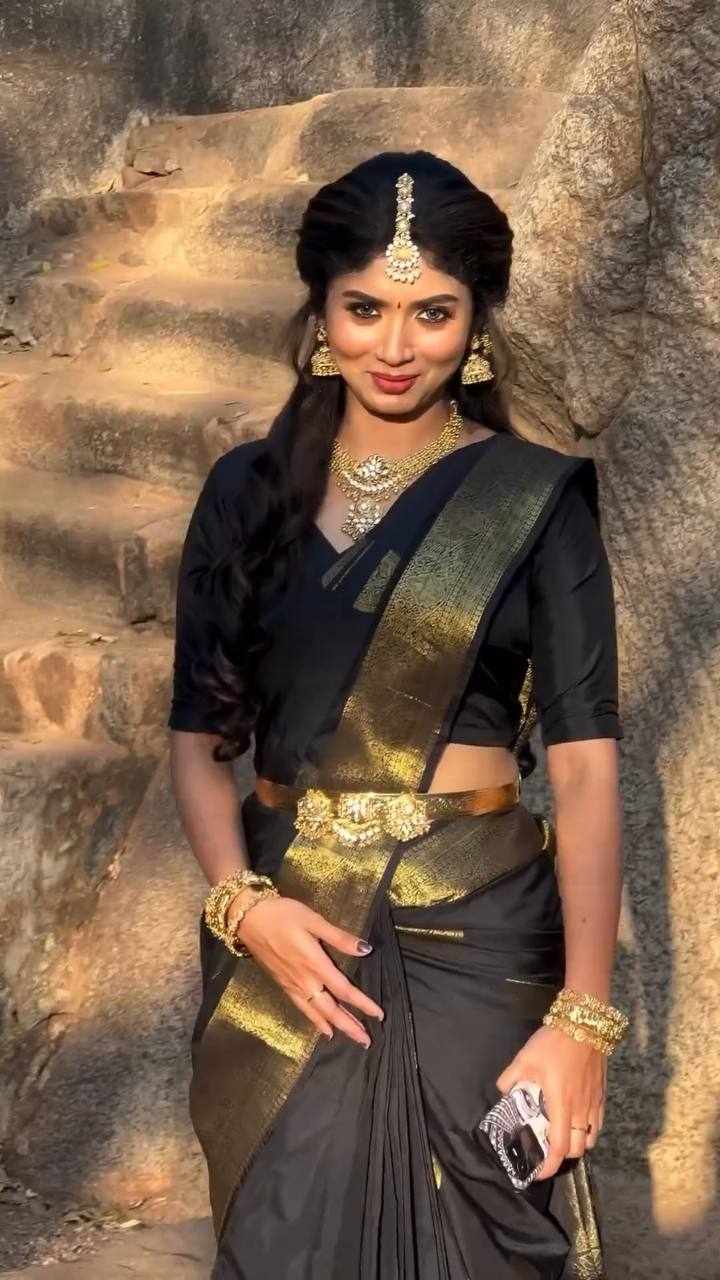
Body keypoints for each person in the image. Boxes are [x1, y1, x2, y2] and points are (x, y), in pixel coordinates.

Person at [167, 151, 628, 1279]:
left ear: (475, 325)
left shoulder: (534, 499)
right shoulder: (247, 490)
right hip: (293, 933)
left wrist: (582, 1020)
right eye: (365, 308)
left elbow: (583, 769)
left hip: (478, 930)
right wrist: (244, 906)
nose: (396, 344)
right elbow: (197, 741)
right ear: (322, 315)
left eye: (433, 312)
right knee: (284, 1233)